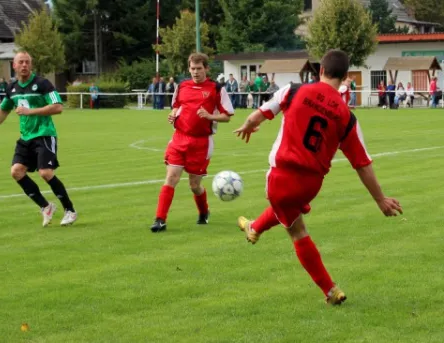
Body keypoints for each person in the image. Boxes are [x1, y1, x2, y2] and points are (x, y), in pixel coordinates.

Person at [232, 49, 403, 305]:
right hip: (311, 184)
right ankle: (254, 227)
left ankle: (330, 290)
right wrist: (380, 199)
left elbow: (262, 112)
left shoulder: (294, 90)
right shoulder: (347, 118)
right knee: (290, 210)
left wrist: (248, 124)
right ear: (345, 76)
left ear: (320, 70)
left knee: (297, 230)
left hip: (281, 176)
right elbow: (362, 164)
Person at [0, 51, 77, 227]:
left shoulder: (42, 84)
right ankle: (46, 207)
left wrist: (30, 111)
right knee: (16, 171)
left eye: (27, 62)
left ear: (31, 65)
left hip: (44, 134)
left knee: (45, 173)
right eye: (21, 62)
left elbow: (58, 107)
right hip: (26, 137)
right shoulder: (11, 88)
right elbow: (4, 109)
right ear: (14, 65)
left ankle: (70, 210)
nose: (24, 65)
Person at [150, 53, 234, 232]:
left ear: (206, 69)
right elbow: (176, 106)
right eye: (192, 69)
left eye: (199, 68)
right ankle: (160, 219)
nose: (195, 72)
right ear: (189, 69)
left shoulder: (216, 89)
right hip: (179, 138)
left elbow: (227, 116)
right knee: (171, 177)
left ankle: (204, 212)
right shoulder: (182, 86)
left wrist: (211, 116)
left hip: (201, 143)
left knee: (194, 186)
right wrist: (173, 114)